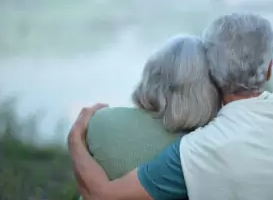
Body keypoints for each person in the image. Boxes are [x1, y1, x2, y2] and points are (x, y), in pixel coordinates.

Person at [68, 13, 273, 200]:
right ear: (269, 69)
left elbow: (101, 195)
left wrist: (75, 140)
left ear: (210, 73)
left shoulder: (201, 149)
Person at [76, 35, 221, 200]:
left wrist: (74, 139)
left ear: (151, 74)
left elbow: (87, 187)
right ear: (209, 91)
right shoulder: (207, 144)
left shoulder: (103, 121)